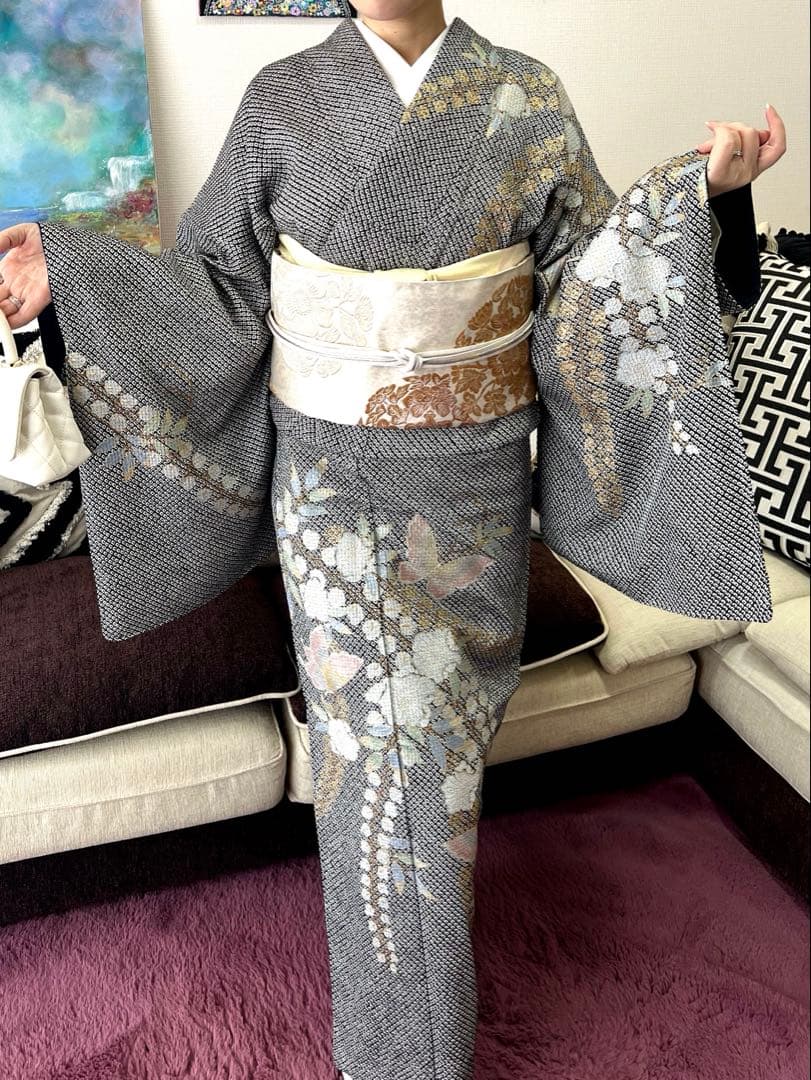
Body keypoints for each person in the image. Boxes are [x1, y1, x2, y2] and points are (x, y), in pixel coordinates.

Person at [0, 3, 787, 1078]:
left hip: (472, 491)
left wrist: (700, 205)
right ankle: (403, 1055)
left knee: (438, 760)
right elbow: (212, 289)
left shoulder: (525, 95)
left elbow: (590, 295)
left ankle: (402, 1036)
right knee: (375, 759)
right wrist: (74, 272)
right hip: (328, 495)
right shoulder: (284, 99)